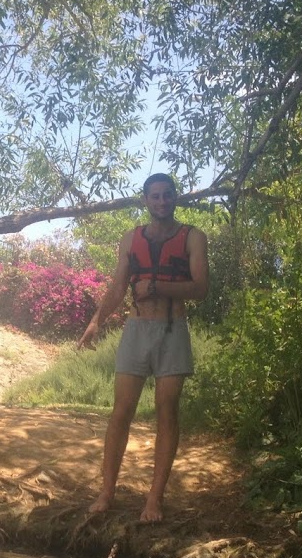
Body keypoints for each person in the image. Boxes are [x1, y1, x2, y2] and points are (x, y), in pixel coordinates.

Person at [77, 173, 209, 523]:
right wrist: (96, 322)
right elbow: (119, 286)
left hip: (172, 331)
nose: (161, 201)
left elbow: (200, 288)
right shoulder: (130, 238)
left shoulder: (193, 237)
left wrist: (159, 286)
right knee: (121, 411)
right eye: (155, 196)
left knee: (167, 411)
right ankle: (107, 491)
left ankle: (154, 499)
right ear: (146, 201)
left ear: (175, 198)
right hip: (136, 329)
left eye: (167, 195)